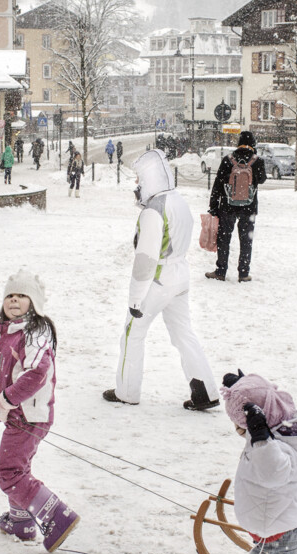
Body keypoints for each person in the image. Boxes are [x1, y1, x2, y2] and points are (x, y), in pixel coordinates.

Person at [102, 149, 218, 411]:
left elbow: (145, 259)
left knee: (132, 333)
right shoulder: (178, 200)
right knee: (183, 333)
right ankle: (205, 390)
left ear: (150, 178)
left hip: (158, 280)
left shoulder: (153, 211)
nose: (136, 185)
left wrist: (135, 297)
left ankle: (127, 391)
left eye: (139, 179)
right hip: (181, 274)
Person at [0, 269, 80, 553]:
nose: (14, 300)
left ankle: (56, 515)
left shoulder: (35, 333)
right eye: (9, 296)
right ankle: (21, 521)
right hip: (19, 413)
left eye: (21, 296)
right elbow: (1, 371)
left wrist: (8, 399)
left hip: (30, 414)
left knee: (8, 471)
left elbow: (37, 372)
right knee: (17, 467)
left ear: (33, 302)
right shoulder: (8, 332)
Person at [220, 371, 297, 554]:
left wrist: (261, 438)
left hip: (275, 544)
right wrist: (243, 388)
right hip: (282, 535)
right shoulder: (278, 429)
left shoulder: (274, 446)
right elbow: (262, 419)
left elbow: (272, 472)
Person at [207, 131, 266, 282]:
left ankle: (220, 271)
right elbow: (262, 179)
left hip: (228, 206)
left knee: (224, 239)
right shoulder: (257, 161)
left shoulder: (228, 159)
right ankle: (244, 273)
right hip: (249, 207)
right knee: (246, 240)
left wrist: (213, 206)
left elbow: (218, 184)